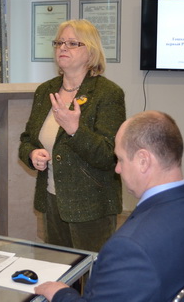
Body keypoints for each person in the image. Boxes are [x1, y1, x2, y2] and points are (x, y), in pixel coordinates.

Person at [35, 111, 184, 302]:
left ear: (143, 161)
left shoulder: (129, 247)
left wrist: (61, 294)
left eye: (120, 159)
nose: (117, 169)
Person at [19, 19, 126, 252]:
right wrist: (32, 154)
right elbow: (27, 139)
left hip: (92, 205)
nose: (63, 48)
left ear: (91, 52)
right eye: (59, 42)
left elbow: (109, 156)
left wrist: (75, 130)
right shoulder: (45, 91)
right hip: (51, 200)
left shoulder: (108, 93)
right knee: (58, 268)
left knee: (90, 271)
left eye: (72, 43)